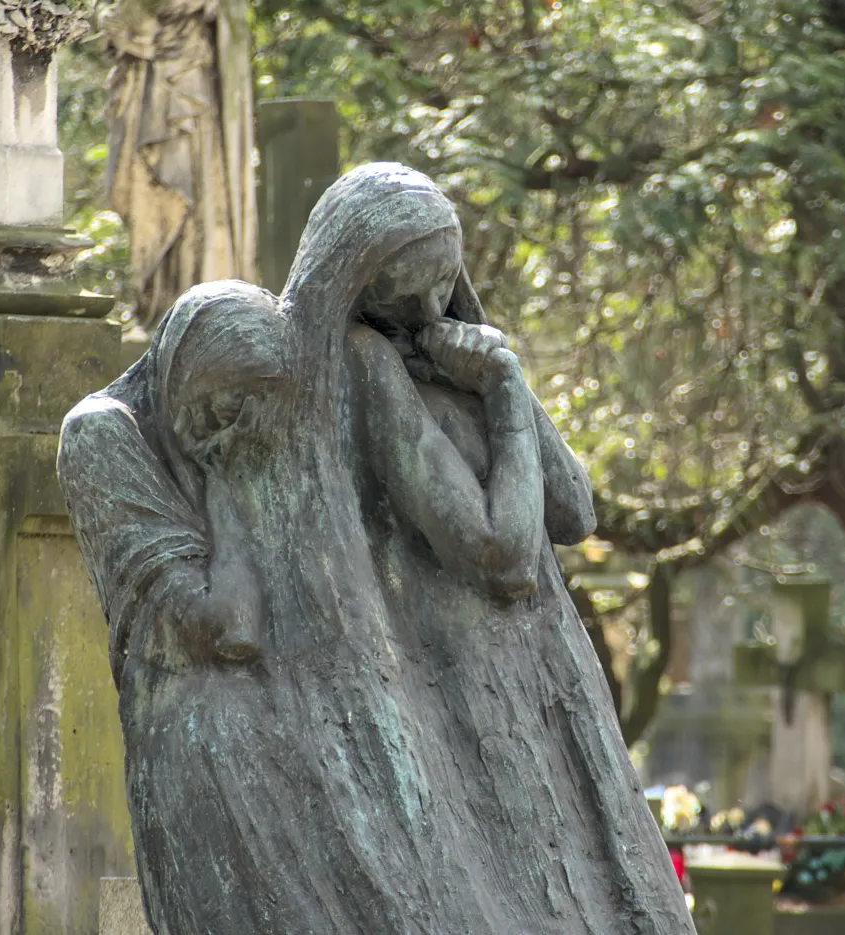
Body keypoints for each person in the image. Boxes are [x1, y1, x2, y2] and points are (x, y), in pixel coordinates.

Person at [58, 162, 695, 933]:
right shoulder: (358, 368)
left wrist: (502, 376)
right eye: (401, 294)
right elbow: (505, 554)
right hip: (449, 683)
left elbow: (574, 507)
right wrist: (497, 389)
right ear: (352, 286)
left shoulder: (439, 354)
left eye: (442, 284)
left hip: (527, 675)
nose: (426, 312)